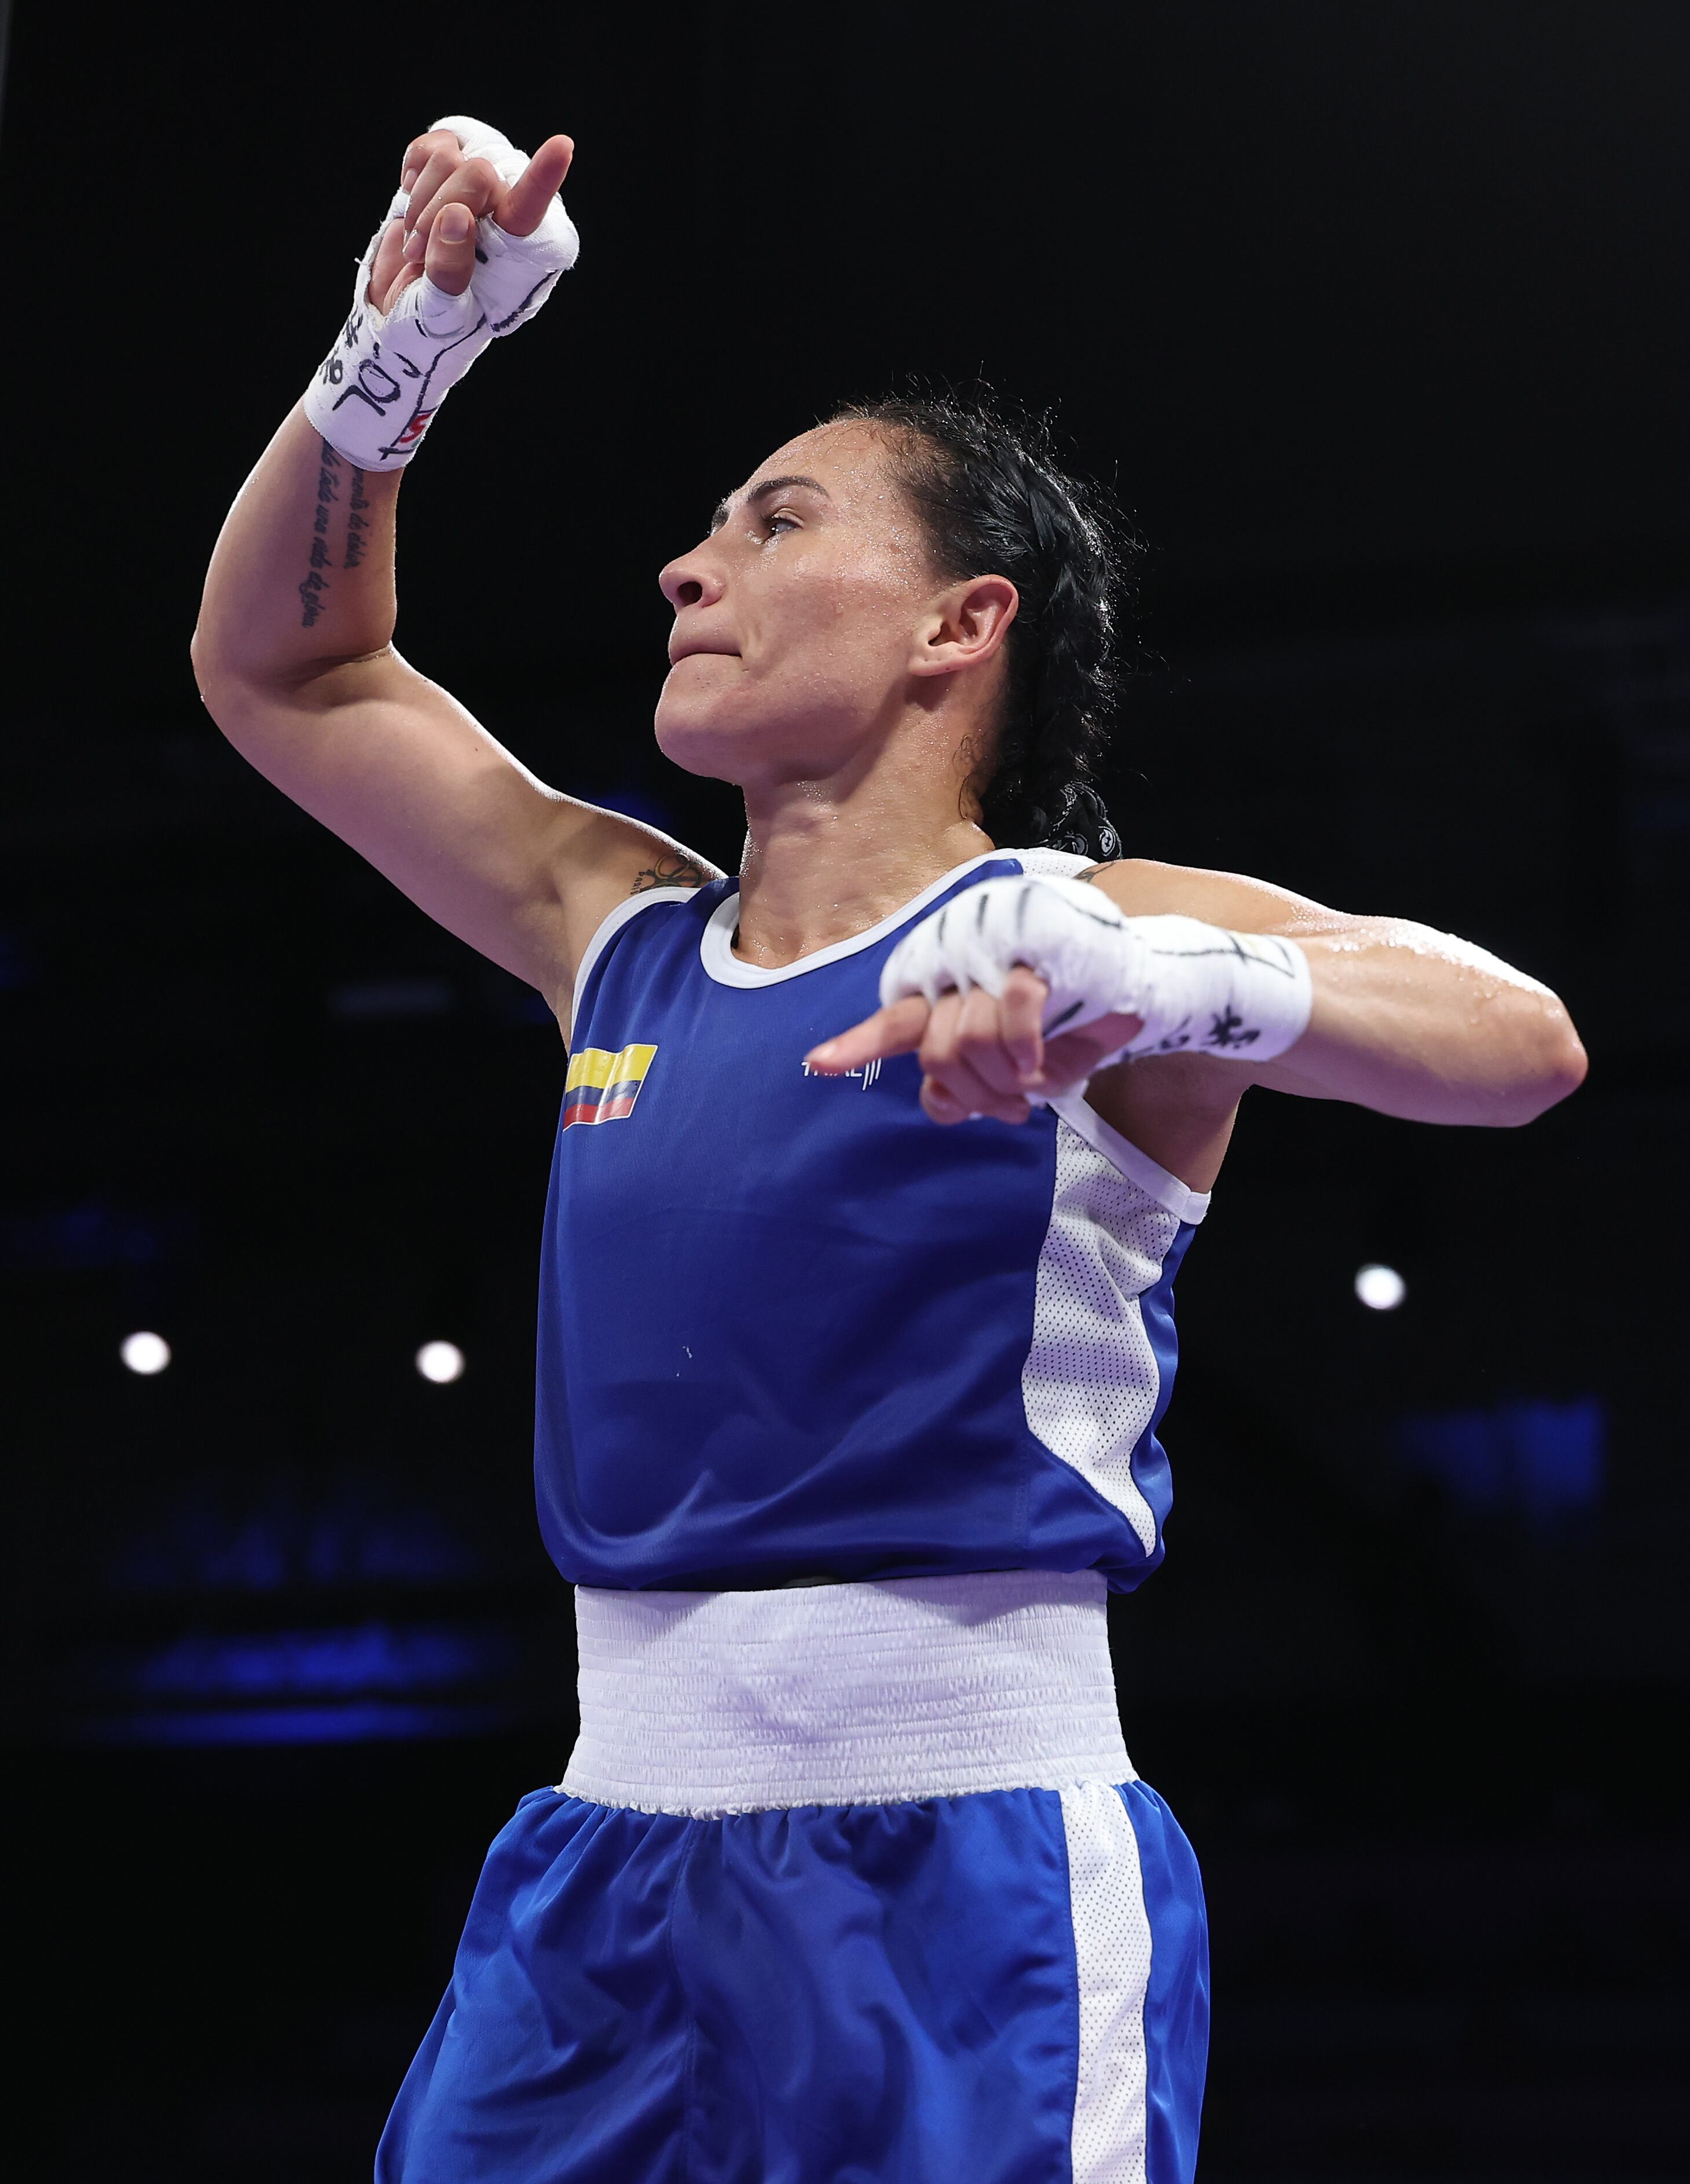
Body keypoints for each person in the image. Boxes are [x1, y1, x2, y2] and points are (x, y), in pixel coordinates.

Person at [192, 116, 1587, 2184]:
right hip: (600, 1874)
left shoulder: (1093, 931)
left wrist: (1165, 977)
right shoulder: (617, 938)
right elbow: (288, 667)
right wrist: (400, 352)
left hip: (976, 1879)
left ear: (962, 624)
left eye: (775, 523)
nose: (692, 566)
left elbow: (1523, 1038)